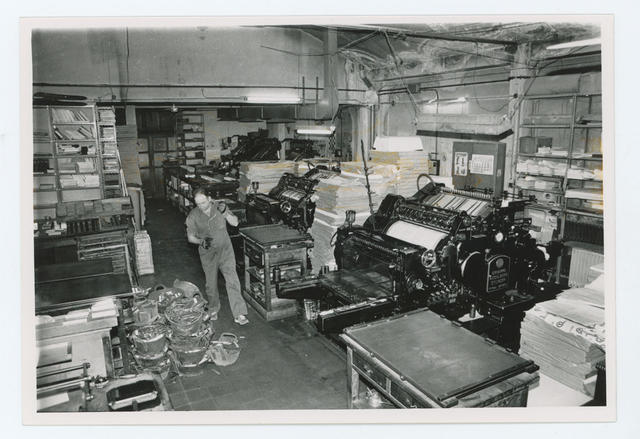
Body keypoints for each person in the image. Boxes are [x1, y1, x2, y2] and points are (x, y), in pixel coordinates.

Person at [186, 187, 249, 325]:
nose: (201, 206)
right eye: (198, 204)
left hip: (225, 250)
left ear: (209, 199)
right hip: (208, 253)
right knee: (211, 284)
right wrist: (201, 241)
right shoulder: (193, 215)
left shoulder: (220, 207)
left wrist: (226, 213)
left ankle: (239, 313)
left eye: (203, 202)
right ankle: (213, 308)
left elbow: (235, 222)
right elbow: (190, 237)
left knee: (232, 280)